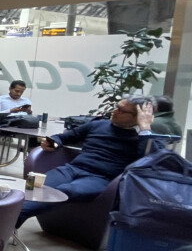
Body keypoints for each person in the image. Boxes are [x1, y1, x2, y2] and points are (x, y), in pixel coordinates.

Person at [16, 96, 160, 226]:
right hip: (72, 169)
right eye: (117, 107)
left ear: (139, 117)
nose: (115, 111)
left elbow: (152, 159)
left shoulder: (144, 138)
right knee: (35, 188)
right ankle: (6, 219)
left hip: (100, 178)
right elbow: (64, 137)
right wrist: (53, 143)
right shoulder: (98, 125)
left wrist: (145, 128)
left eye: (122, 111)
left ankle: (10, 218)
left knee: (65, 191)